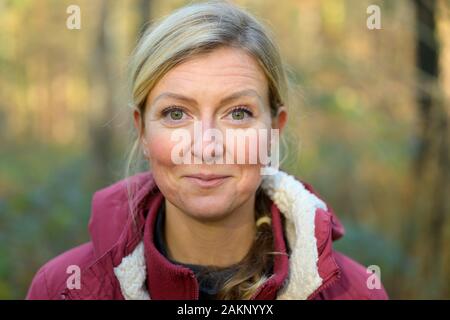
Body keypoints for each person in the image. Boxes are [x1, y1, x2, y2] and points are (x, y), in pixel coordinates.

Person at [26, 0, 388, 300]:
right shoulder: (62, 288)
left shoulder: (356, 292)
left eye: (238, 113)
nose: (206, 146)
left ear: (274, 130)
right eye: (176, 113)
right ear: (142, 131)